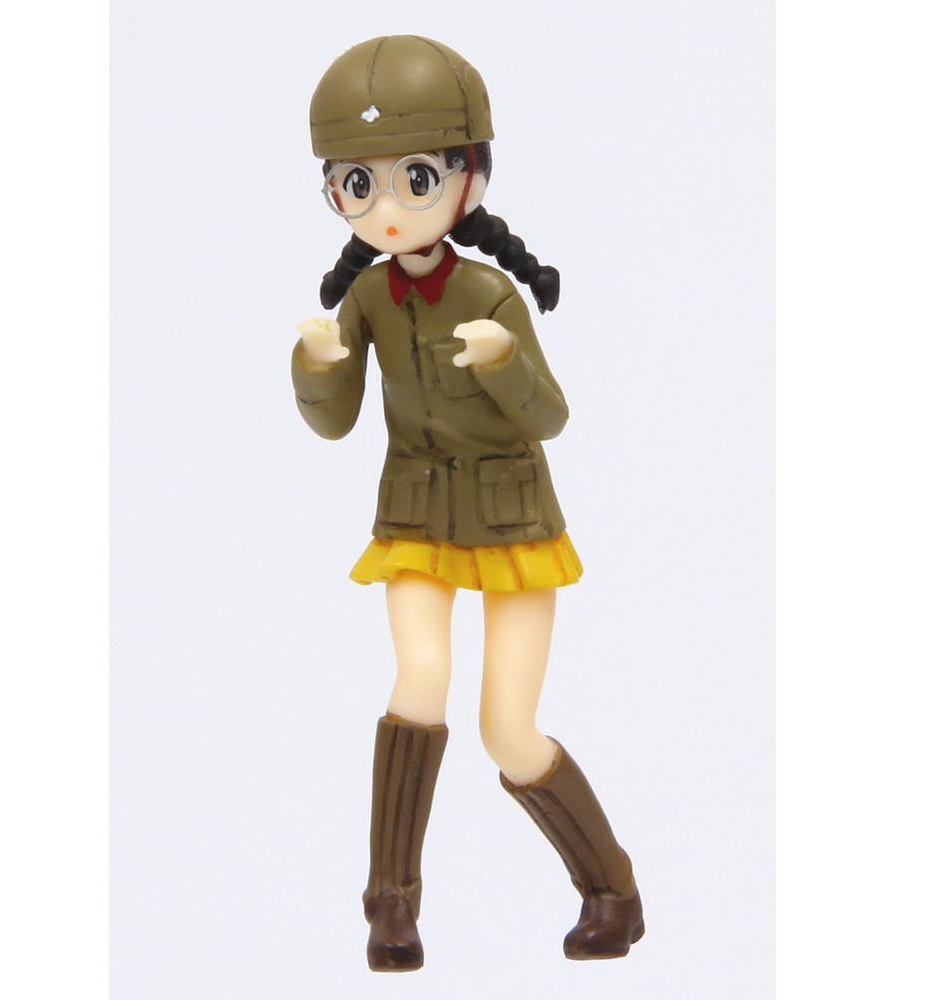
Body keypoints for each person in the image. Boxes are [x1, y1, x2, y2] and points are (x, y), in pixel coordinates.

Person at [292, 35, 643, 971]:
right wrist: (316, 367)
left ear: (469, 176)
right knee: (419, 675)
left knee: (506, 727)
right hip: (415, 516)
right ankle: (390, 905)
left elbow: (550, 415)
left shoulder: (492, 293)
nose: (386, 208)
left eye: (416, 178)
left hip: (512, 519)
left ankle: (611, 890)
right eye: (355, 185)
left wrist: (505, 361)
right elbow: (335, 421)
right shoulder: (368, 298)